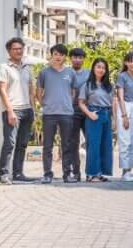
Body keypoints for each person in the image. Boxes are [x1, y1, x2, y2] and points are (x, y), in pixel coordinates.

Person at [0, 37, 35, 184]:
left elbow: (31, 89)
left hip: (27, 110)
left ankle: (18, 173)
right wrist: (10, 111)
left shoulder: (27, 68)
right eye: (15, 49)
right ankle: (4, 174)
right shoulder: (4, 67)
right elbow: (2, 90)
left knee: (22, 143)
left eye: (20, 48)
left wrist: (33, 109)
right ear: (9, 51)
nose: (18, 51)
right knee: (10, 143)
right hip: (13, 111)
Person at [36, 44, 76, 184]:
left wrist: (67, 103)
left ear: (65, 57)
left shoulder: (70, 72)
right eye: (56, 54)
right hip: (49, 114)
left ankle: (67, 174)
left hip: (66, 114)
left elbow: (73, 92)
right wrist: (45, 104)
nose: (58, 57)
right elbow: (38, 92)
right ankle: (47, 174)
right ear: (52, 55)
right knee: (47, 146)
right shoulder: (44, 73)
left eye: (61, 54)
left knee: (66, 145)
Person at [78, 57, 115, 182]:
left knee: (106, 145)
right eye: (98, 67)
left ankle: (101, 173)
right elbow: (81, 103)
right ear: (93, 68)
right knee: (93, 145)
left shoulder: (109, 86)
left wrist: (114, 120)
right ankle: (91, 174)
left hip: (107, 115)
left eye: (103, 68)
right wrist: (89, 114)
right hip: (94, 115)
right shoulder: (88, 85)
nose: (101, 70)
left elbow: (113, 103)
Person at [115, 52, 133, 182]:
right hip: (125, 106)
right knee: (125, 140)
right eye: (130, 61)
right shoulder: (122, 76)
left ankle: (129, 170)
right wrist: (124, 115)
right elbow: (120, 96)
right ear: (126, 63)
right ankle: (124, 171)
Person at [64, 47, 89, 182]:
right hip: (71, 112)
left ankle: (91, 172)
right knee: (73, 143)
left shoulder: (89, 73)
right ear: (70, 58)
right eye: (75, 57)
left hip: (87, 111)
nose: (78, 60)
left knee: (90, 142)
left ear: (84, 59)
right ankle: (76, 172)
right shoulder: (66, 72)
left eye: (80, 57)